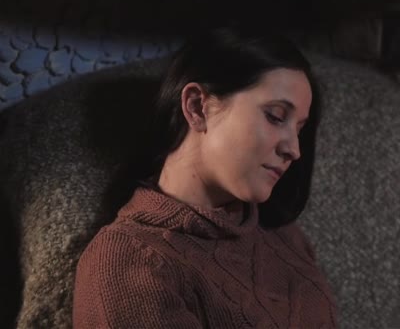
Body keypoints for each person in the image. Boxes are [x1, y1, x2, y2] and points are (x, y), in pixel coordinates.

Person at [72, 26, 338, 328]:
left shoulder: (283, 234)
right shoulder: (128, 262)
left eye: (299, 129)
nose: (294, 150)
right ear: (197, 107)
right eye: (275, 116)